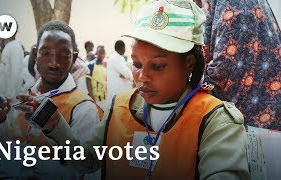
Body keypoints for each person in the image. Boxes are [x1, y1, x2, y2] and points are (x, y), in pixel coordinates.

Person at [16, 0, 250, 179]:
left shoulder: (216, 122)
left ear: (189, 62)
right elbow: (86, 161)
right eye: (136, 64)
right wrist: (56, 124)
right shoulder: (119, 108)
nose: (142, 77)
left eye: (158, 66)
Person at [0, 20, 103, 150]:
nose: (54, 63)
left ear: (74, 58)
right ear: (36, 54)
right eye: (46, 53)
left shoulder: (83, 108)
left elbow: (82, 166)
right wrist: (1, 122)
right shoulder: (31, 95)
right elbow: (15, 148)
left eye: (64, 55)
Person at [202, 0, 281, 130]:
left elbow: (223, 70)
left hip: (249, 124)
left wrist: (188, 79)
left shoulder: (234, 5)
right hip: (264, 115)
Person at [0, 28, 24, 101]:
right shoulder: (9, 47)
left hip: (11, 100)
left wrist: (11, 98)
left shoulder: (15, 47)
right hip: (5, 98)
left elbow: (16, 75)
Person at [107, 40, 133, 104]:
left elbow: (125, 72)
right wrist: (131, 77)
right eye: (124, 48)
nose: (125, 50)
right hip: (118, 94)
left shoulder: (117, 57)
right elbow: (127, 73)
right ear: (122, 48)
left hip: (118, 93)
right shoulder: (116, 58)